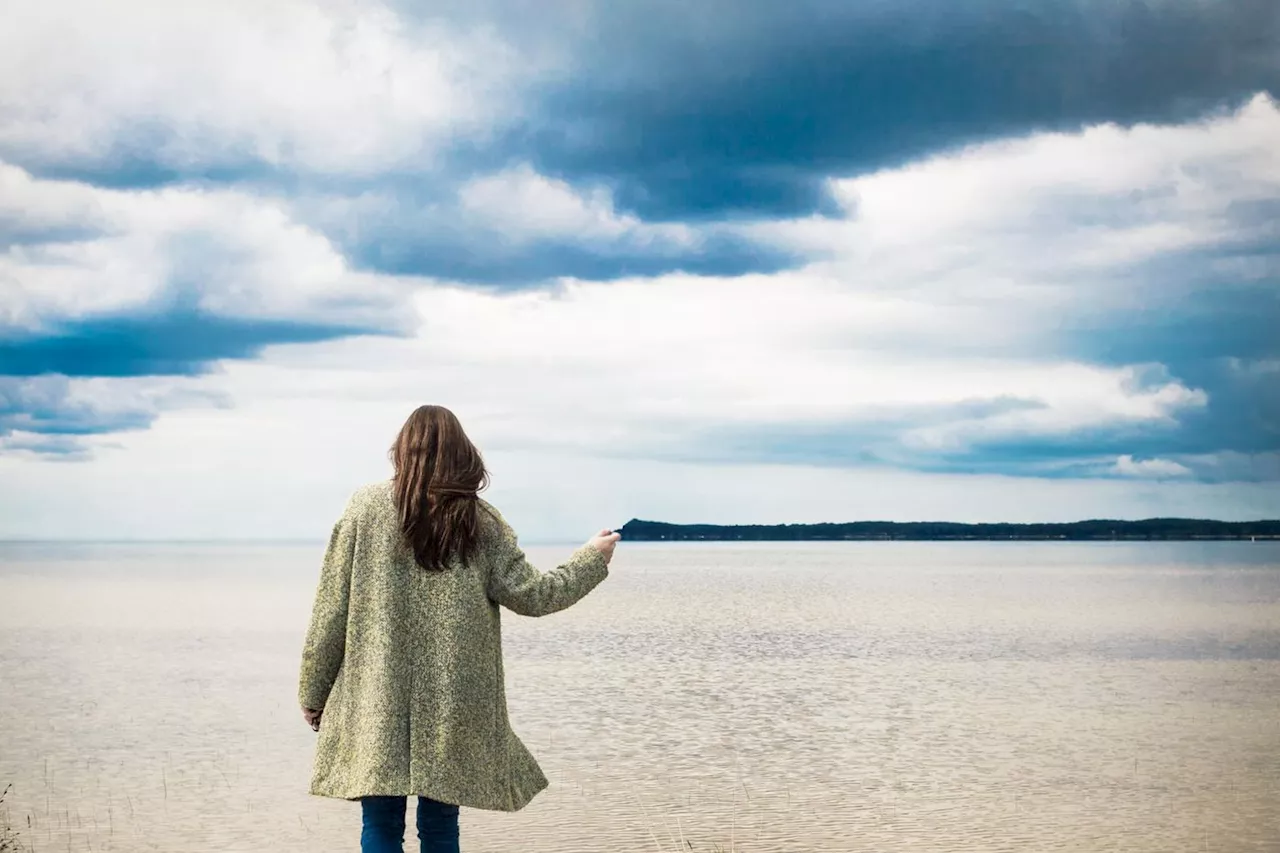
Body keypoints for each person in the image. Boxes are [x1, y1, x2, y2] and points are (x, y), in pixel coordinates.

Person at [298, 405, 621, 853]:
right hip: (453, 698)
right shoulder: (480, 520)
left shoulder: (364, 508)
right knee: (440, 825)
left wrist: (313, 693)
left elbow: (331, 608)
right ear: (461, 453)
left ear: (402, 450)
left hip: (376, 695)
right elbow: (534, 596)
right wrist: (592, 557)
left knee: (380, 823)